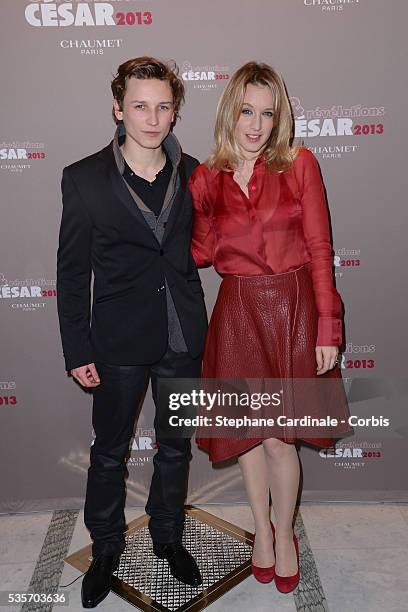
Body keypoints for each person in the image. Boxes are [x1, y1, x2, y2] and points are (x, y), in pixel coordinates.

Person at [189, 61, 353, 594]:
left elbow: (322, 248)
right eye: (245, 111)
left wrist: (328, 326)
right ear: (229, 112)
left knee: (282, 440)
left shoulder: (299, 164)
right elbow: (201, 252)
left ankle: (285, 534)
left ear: (279, 118)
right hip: (236, 313)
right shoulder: (205, 177)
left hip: (292, 310)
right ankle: (260, 529)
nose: (256, 125)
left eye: (267, 113)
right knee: (249, 440)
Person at [56, 56, 207, 608]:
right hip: (116, 340)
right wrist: (77, 348)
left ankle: (167, 537)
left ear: (175, 111)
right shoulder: (83, 178)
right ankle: (105, 550)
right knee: (109, 453)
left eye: (163, 106)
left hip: (183, 335)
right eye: (140, 105)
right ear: (118, 108)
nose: (152, 117)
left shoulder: (197, 173)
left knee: (175, 449)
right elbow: (72, 274)